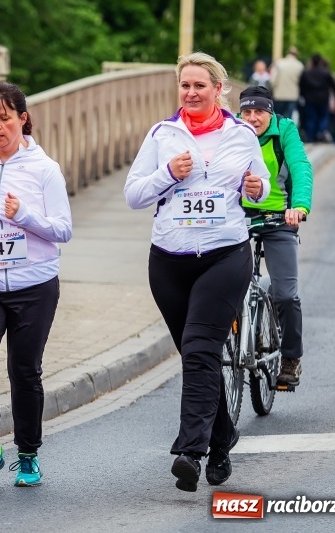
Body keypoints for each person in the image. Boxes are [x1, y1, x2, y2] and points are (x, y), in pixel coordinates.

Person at [124, 52, 271, 492]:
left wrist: (255, 187)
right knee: (198, 355)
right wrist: (167, 173)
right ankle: (223, 439)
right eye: (184, 86)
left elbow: (260, 184)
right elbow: (133, 195)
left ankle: (191, 450)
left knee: (200, 343)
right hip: (169, 259)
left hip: (225, 254)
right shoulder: (162, 134)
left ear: (218, 90)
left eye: (199, 86)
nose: (190, 93)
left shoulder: (241, 134)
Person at [0, 81, 73, 488]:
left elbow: (63, 230)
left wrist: (24, 216)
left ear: (23, 119)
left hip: (34, 285)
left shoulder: (44, 168)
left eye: (5, 118)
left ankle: (28, 454)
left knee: (24, 371)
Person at [238, 85, 313, 387]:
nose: (253, 118)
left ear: (270, 111)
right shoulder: (231, 129)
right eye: (247, 112)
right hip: (237, 217)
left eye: (259, 112)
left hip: (280, 216)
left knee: (285, 294)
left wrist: (299, 206)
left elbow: (300, 167)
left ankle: (291, 358)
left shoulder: (285, 131)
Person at [299, 53, 335, 142]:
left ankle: (310, 137)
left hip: (309, 99)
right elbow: (333, 85)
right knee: (323, 117)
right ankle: (321, 133)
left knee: (311, 118)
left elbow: (301, 86)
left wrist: (302, 96)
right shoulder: (325, 73)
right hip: (323, 100)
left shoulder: (306, 73)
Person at [270, 47, 304, 121]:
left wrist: (273, 89)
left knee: (278, 116)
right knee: (289, 117)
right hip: (293, 95)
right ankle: (287, 132)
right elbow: (302, 81)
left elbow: (273, 80)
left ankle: (278, 131)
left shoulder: (279, 63)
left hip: (279, 94)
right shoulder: (299, 65)